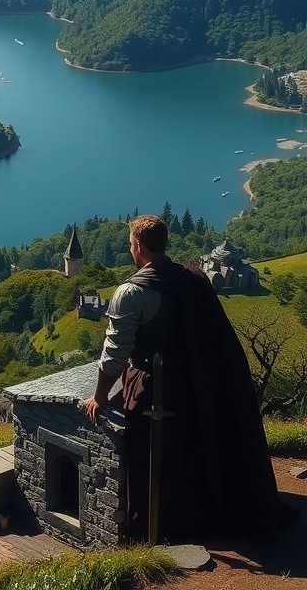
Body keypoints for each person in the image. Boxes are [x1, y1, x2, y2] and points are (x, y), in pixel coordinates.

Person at [80, 214, 297, 543]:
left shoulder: (130, 293)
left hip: (153, 390)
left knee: (151, 460)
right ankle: (205, 513)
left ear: (137, 246)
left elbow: (114, 355)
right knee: (191, 450)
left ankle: (156, 530)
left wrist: (98, 396)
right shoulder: (192, 278)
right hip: (195, 384)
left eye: (129, 244)